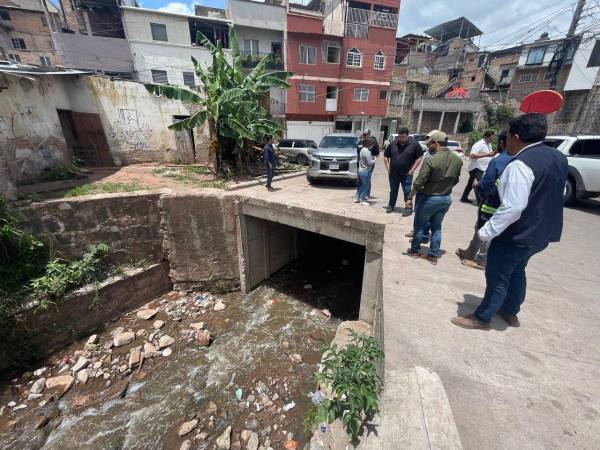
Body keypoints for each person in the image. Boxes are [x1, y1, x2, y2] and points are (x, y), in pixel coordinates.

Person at [451, 113, 568, 330]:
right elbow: (557, 193)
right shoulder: (558, 157)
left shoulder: (520, 164)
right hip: (542, 233)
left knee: (498, 275)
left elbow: (513, 206)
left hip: (517, 234)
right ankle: (510, 311)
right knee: (517, 270)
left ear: (515, 137)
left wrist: (486, 232)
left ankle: (482, 317)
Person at [405, 130, 463, 264]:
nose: (428, 146)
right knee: (437, 227)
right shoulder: (457, 160)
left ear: (436, 143)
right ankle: (433, 255)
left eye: (429, 144)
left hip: (430, 198)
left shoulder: (430, 160)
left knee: (419, 226)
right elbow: (456, 180)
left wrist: (410, 197)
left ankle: (414, 250)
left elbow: (419, 182)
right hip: (446, 199)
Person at [456, 131, 512, 270]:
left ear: (501, 142)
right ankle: (470, 252)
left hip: (492, 202)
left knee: (486, 229)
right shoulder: (516, 160)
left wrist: (477, 185)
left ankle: (482, 260)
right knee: (479, 227)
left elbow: (486, 185)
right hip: (502, 202)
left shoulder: (499, 160)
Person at [383, 127, 424, 215]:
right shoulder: (393, 144)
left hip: (407, 174)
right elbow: (386, 156)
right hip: (393, 174)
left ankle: (408, 208)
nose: (401, 139)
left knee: (407, 192)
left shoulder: (414, 144)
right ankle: (391, 205)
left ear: (407, 135)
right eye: (399, 137)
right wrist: (388, 167)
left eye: (403, 137)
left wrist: (413, 170)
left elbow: (420, 157)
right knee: (393, 190)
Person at [460, 130, 496, 203]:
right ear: (486, 137)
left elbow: (489, 155)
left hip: (483, 167)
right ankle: (480, 201)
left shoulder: (489, 144)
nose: (492, 139)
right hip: (476, 167)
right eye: (491, 137)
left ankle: (464, 198)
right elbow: (472, 155)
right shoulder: (479, 144)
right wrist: (487, 155)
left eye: (493, 137)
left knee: (470, 184)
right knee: (477, 184)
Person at [359, 129, 379, 199]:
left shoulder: (373, 141)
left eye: (365, 134)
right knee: (362, 178)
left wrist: (373, 157)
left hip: (370, 162)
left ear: (369, 134)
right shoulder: (363, 140)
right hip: (362, 161)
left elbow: (375, 151)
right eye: (363, 134)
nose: (364, 136)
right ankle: (361, 194)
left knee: (367, 177)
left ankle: (367, 194)